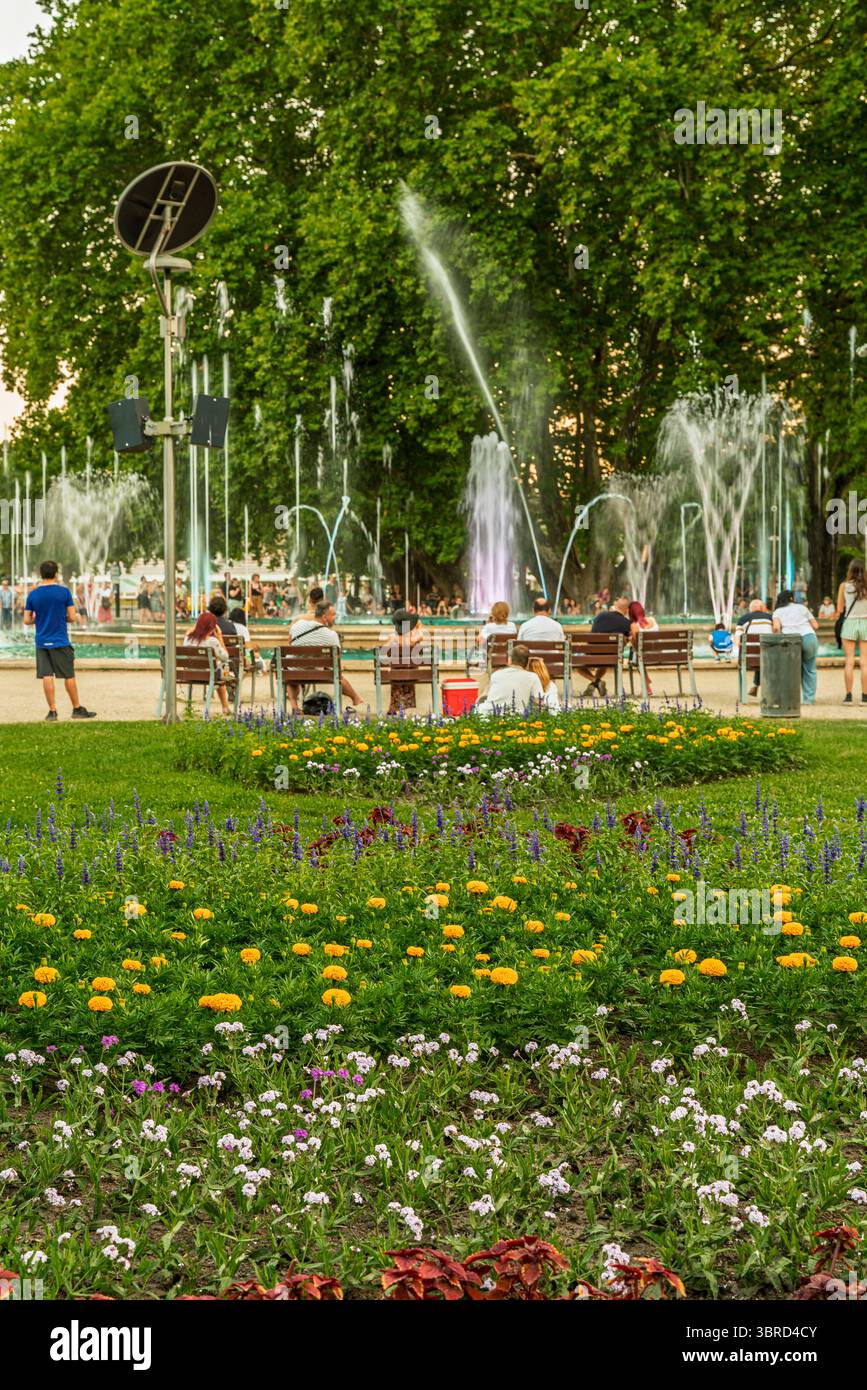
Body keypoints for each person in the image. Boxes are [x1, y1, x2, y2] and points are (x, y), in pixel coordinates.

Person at [24, 560, 96, 720]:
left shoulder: (33, 594)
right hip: (60, 640)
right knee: (68, 675)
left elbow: (27, 620)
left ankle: (52, 711)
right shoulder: (64, 592)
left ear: (41, 574)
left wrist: (40, 619)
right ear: (56, 573)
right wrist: (60, 618)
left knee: (47, 675)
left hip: (42, 641)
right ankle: (77, 709)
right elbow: (72, 617)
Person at [288, 598, 362, 712]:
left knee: (292, 670)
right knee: (338, 675)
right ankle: (355, 698)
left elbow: (290, 643)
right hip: (319, 673)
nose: (335, 617)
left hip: (293, 671)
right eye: (333, 615)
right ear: (324, 617)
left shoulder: (297, 625)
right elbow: (336, 660)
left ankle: (294, 706)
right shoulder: (331, 635)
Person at [573, 593, 635, 698]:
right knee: (605, 661)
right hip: (611, 658)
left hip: (591, 655)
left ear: (615, 606)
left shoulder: (600, 615)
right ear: (627, 610)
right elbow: (630, 640)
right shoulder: (627, 623)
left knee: (577, 665)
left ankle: (595, 681)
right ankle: (596, 682)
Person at [772, 590, 819, 705]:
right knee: (810, 669)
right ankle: (809, 699)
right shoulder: (802, 608)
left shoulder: (777, 611)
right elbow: (816, 626)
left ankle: (790, 698)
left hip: (791, 639)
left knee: (790, 669)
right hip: (809, 636)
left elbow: (776, 629)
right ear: (792, 598)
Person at [476, 643, 545, 716]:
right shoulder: (532, 677)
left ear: (509, 660)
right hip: (515, 718)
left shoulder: (496, 675)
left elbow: (485, 696)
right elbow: (539, 702)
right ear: (527, 663)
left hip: (487, 715)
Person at [183, 611, 231, 716]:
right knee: (219, 672)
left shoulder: (187, 639)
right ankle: (225, 707)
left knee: (217, 671)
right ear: (212, 627)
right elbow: (225, 657)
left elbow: (191, 633)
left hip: (190, 673)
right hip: (209, 675)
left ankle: (225, 706)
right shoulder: (212, 641)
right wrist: (220, 637)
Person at [380, 608, 426, 713]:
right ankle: (405, 706)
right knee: (406, 673)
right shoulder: (414, 638)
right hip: (412, 673)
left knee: (397, 674)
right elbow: (420, 636)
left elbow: (383, 652)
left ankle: (394, 706)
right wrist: (419, 627)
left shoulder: (392, 638)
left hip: (395, 675)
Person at [835, 560, 867, 704]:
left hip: (850, 623)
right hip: (865, 622)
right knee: (865, 663)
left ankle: (848, 696)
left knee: (849, 661)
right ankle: (865, 696)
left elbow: (840, 609)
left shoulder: (844, 586)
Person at [733, 599, 773, 697]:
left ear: (751, 609)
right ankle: (760, 687)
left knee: (757, 656)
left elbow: (737, 641)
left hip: (749, 658)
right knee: (763, 654)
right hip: (770, 657)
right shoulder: (771, 618)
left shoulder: (743, 619)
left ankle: (755, 685)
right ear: (761, 607)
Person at [229, 606, 267, 673]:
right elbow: (248, 647)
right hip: (241, 660)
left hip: (228, 660)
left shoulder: (227, 626)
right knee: (260, 663)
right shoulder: (243, 629)